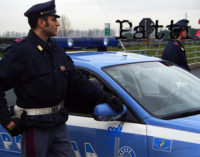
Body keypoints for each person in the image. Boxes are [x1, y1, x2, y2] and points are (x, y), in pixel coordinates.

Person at [0, 1, 123, 157]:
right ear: (41, 22)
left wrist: (106, 96)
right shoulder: (21, 52)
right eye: (54, 19)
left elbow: (78, 81)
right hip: (35, 127)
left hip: (58, 124)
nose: (58, 23)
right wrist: (7, 121)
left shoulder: (56, 51)